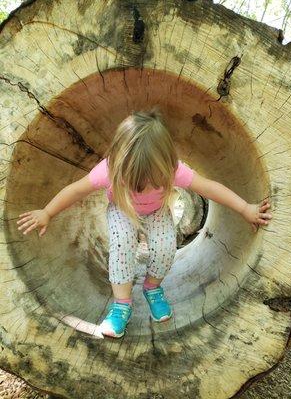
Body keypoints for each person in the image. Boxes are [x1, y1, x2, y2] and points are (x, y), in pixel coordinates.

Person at [16, 107, 273, 339]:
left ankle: (152, 288)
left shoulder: (173, 169)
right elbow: (75, 190)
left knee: (164, 247)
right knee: (121, 244)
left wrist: (244, 208)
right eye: (136, 180)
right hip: (122, 209)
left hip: (157, 210)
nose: (144, 185)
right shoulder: (109, 169)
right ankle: (121, 305)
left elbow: (208, 187)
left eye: (152, 180)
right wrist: (47, 212)